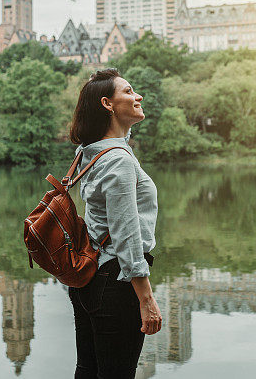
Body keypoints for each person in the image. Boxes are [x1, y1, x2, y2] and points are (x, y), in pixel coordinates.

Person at [67, 68, 162, 379]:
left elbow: (117, 137)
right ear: (108, 104)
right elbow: (126, 234)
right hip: (116, 281)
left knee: (89, 370)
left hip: (88, 276)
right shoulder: (119, 160)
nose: (138, 97)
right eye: (129, 92)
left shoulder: (92, 151)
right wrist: (145, 298)